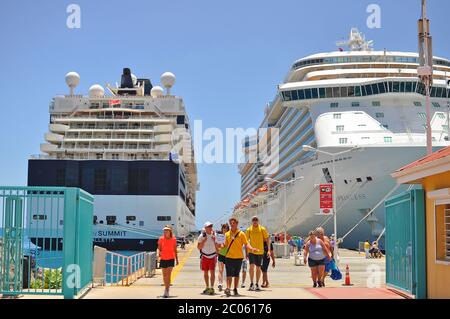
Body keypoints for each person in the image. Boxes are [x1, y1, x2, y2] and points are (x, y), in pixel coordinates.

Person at [222, 217, 258, 297]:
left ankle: (235, 289)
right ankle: (228, 288)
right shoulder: (227, 234)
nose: (232, 224)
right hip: (229, 257)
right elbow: (225, 244)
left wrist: (251, 248)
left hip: (238, 257)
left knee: (236, 274)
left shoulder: (241, 234)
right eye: (231, 223)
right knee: (229, 274)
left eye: (233, 223)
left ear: (237, 224)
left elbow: (246, 244)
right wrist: (220, 245)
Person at [245, 216, 270, 291]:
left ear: (258, 221)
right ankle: (251, 283)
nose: (255, 221)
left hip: (260, 251)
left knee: (258, 268)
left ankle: (256, 284)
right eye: (253, 220)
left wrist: (268, 250)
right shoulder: (249, 229)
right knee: (251, 267)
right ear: (252, 221)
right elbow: (246, 242)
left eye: (256, 220)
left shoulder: (262, 229)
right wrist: (246, 252)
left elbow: (267, 239)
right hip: (251, 251)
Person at [197, 221, 220, 295]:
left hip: (213, 256)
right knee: (205, 272)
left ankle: (212, 287)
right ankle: (207, 287)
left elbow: (218, 246)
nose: (210, 228)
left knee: (212, 272)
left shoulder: (215, 235)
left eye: (211, 226)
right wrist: (204, 241)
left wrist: (214, 240)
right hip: (204, 256)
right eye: (208, 226)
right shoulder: (202, 236)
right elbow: (198, 247)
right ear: (205, 228)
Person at [157, 225, 179, 298]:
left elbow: (175, 250)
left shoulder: (173, 239)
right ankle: (166, 288)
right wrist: (158, 254)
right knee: (164, 276)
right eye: (164, 230)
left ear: (170, 231)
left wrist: (177, 259)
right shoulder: (161, 239)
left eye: (167, 230)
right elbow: (159, 248)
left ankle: (167, 290)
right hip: (163, 258)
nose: (165, 231)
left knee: (168, 275)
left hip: (171, 258)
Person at [217, 223, 229, 292]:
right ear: (222, 229)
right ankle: (220, 284)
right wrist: (218, 248)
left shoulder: (229, 236)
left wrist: (223, 245)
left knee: (227, 271)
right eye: (223, 228)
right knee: (220, 270)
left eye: (226, 228)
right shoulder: (219, 236)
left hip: (228, 255)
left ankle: (227, 285)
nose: (225, 229)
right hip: (221, 254)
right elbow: (217, 244)